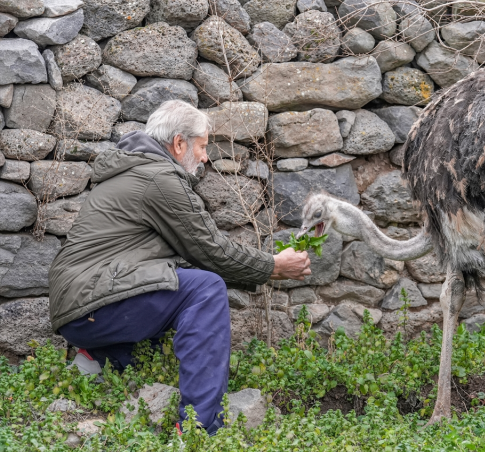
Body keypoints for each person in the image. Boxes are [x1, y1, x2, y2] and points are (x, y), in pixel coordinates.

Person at [48, 100, 311, 434]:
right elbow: (209, 249)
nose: (205, 157)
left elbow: (183, 257)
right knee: (205, 289)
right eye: (201, 147)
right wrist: (272, 265)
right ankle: (201, 426)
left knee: (178, 284)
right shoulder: (160, 179)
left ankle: (100, 356)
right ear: (179, 143)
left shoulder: (136, 172)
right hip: (92, 302)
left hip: (81, 308)